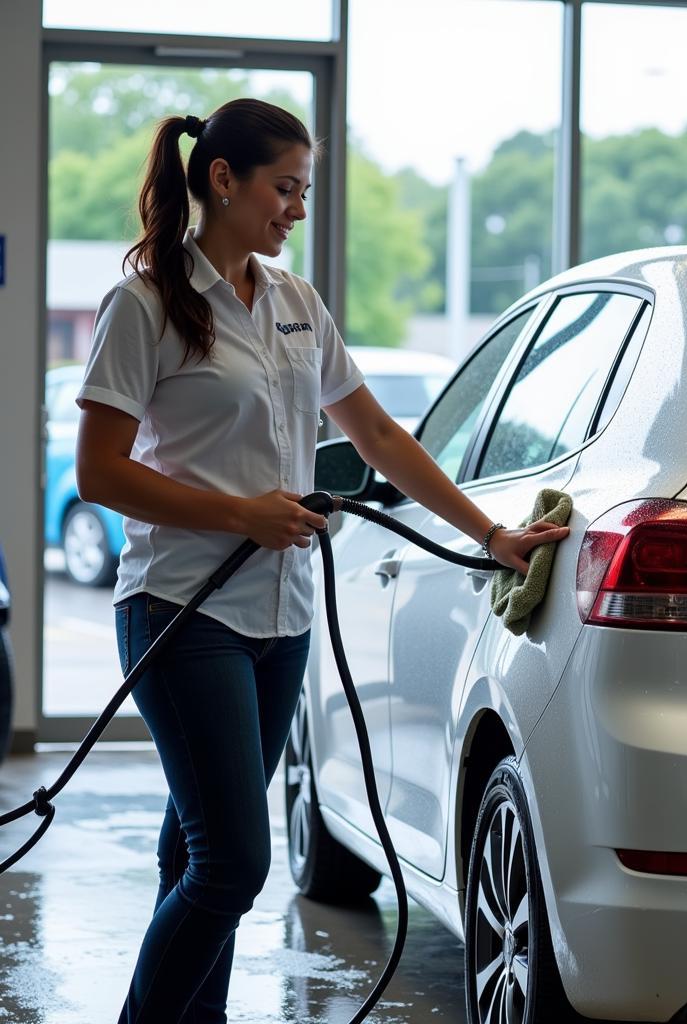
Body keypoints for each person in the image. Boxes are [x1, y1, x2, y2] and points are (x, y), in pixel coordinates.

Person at [75, 98, 569, 1024]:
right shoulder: (143, 305)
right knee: (233, 865)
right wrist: (241, 514)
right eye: (284, 188)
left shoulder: (296, 304)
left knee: (195, 853)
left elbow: (378, 434)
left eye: (303, 190)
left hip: (283, 618)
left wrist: (488, 535)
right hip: (182, 611)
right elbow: (99, 472)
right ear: (222, 179)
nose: (296, 209)